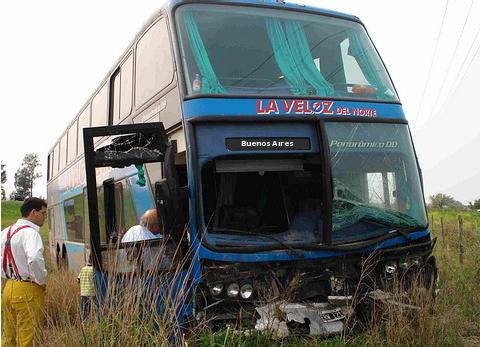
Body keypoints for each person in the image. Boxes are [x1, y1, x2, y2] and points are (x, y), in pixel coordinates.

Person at [1, 197, 48, 346]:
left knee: (8, 336)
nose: (45, 217)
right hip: (27, 289)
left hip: (8, 288)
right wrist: (41, 281)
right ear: (33, 212)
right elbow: (34, 258)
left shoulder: (5, 232)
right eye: (43, 213)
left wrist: (5, 277)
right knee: (27, 337)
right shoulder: (31, 233)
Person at [77, 255, 95, 323]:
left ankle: (85, 324)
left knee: (84, 311)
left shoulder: (83, 269)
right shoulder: (94, 270)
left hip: (83, 294)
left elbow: (78, 280)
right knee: (94, 310)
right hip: (92, 293)